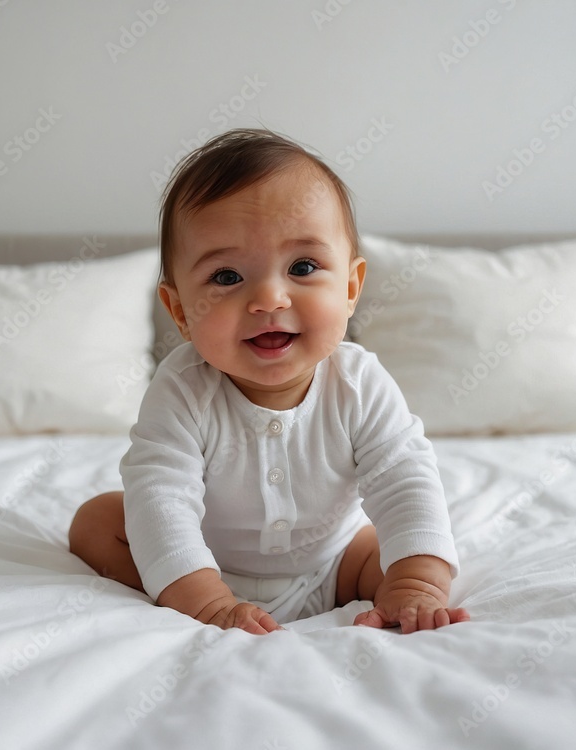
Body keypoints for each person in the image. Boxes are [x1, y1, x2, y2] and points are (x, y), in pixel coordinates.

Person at [68, 128, 469, 635]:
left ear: (350, 288)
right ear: (180, 312)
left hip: (335, 566)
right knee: (99, 520)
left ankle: (398, 593)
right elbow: (161, 496)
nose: (269, 299)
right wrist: (207, 599)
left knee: (383, 545)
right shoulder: (182, 390)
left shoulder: (359, 382)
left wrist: (418, 582)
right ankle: (184, 595)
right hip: (206, 565)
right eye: (227, 277)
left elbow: (405, 480)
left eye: (302, 266)